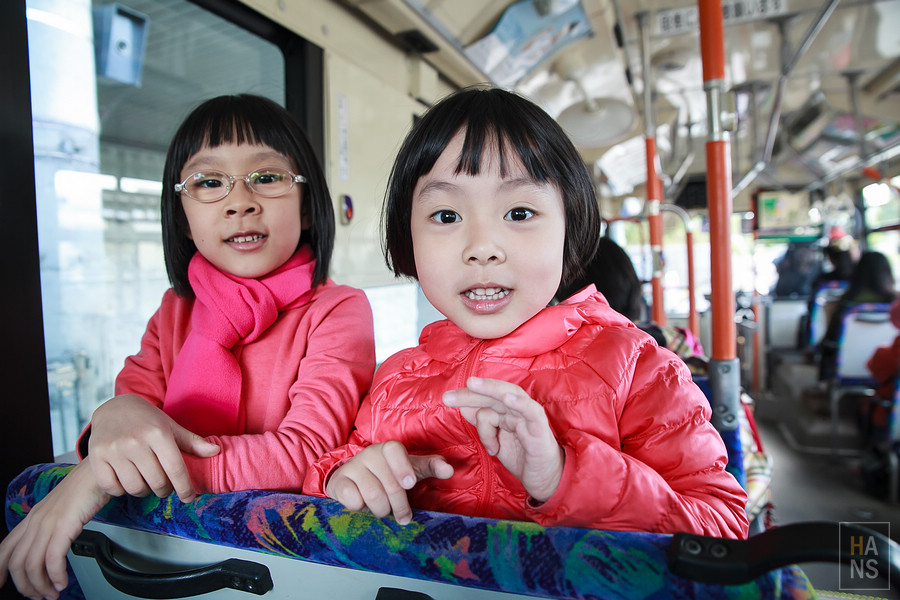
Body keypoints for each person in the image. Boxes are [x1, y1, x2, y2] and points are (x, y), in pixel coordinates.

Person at [302, 87, 749, 539]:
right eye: (445, 216)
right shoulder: (396, 380)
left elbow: (722, 528)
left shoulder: (638, 370)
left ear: (569, 225)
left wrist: (564, 477)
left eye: (518, 212)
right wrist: (347, 478)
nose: (481, 248)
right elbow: (332, 473)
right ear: (408, 236)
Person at [0, 94, 376, 599]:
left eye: (266, 177)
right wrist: (111, 422)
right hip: (155, 555)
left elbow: (309, 455)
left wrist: (100, 478)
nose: (239, 200)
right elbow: (122, 421)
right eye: (208, 182)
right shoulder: (173, 311)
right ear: (182, 218)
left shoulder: (338, 311)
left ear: (307, 206)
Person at [819, 250, 897, 380]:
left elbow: (831, 337)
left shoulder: (847, 303)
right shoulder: (894, 304)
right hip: (889, 371)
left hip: (846, 367)